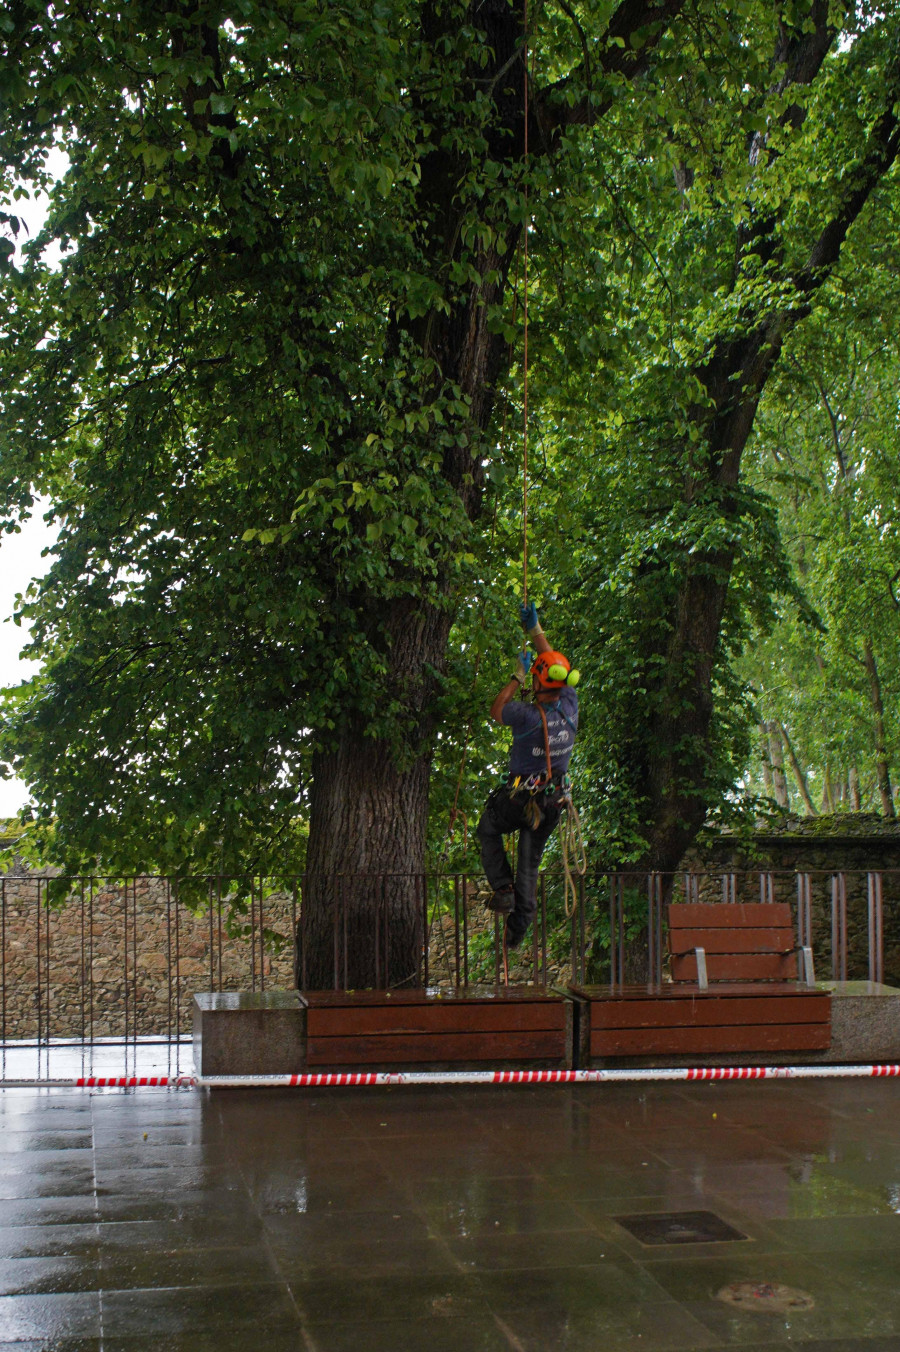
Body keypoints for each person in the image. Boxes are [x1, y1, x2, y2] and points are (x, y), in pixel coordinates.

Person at [477, 602, 579, 949]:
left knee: (488, 828)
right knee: (529, 865)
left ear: (536, 681)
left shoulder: (526, 715)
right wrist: (536, 632)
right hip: (552, 802)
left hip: (521, 800)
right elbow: (554, 668)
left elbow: (496, 710)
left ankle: (503, 890)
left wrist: (516, 676)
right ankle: (518, 928)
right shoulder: (570, 707)